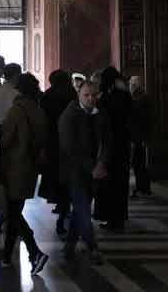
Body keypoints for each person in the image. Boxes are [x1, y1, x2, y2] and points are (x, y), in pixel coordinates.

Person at [0, 73, 49, 274]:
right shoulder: (38, 109)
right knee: (14, 212)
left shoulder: (17, 110)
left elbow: (6, 141)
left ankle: (34, 251)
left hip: (14, 167)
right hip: (30, 167)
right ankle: (6, 256)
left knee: (12, 212)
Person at [58, 80, 110, 265]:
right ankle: (92, 247)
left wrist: (102, 162)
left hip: (94, 171)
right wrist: (92, 166)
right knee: (83, 209)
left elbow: (108, 140)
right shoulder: (69, 115)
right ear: (79, 94)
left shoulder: (100, 114)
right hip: (75, 171)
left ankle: (70, 245)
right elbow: (69, 147)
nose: (90, 99)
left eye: (94, 95)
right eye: (87, 95)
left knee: (81, 208)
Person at [38, 70, 78, 236]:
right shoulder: (73, 95)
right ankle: (67, 207)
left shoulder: (48, 96)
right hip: (72, 143)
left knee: (57, 178)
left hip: (53, 143)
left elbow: (43, 121)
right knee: (71, 179)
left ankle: (61, 207)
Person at [94, 67, 132, 231]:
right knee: (120, 184)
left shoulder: (106, 98)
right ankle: (118, 218)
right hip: (122, 144)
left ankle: (110, 217)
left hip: (109, 145)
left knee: (108, 182)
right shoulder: (124, 95)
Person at [129, 75, 152, 197]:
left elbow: (143, 119)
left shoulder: (141, 98)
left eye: (132, 84)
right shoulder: (137, 97)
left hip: (140, 136)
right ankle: (141, 188)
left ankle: (143, 188)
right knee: (138, 164)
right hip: (137, 136)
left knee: (140, 164)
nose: (130, 86)